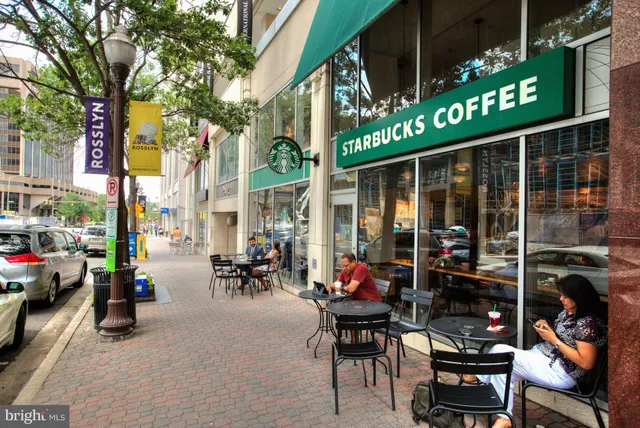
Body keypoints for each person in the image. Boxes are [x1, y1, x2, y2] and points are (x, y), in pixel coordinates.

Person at [467, 275, 607, 428]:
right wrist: (547, 328)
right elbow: (565, 337)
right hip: (543, 356)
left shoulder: (589, 324)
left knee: (500, 352)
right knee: (502, 369)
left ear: (579, 298)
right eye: (561, 295)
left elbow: (586, 363)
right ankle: (502, 415)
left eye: (566, 296)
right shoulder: (570, 312)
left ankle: (483, 381)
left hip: (561, 372)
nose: (561, 299)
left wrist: (554, 340)